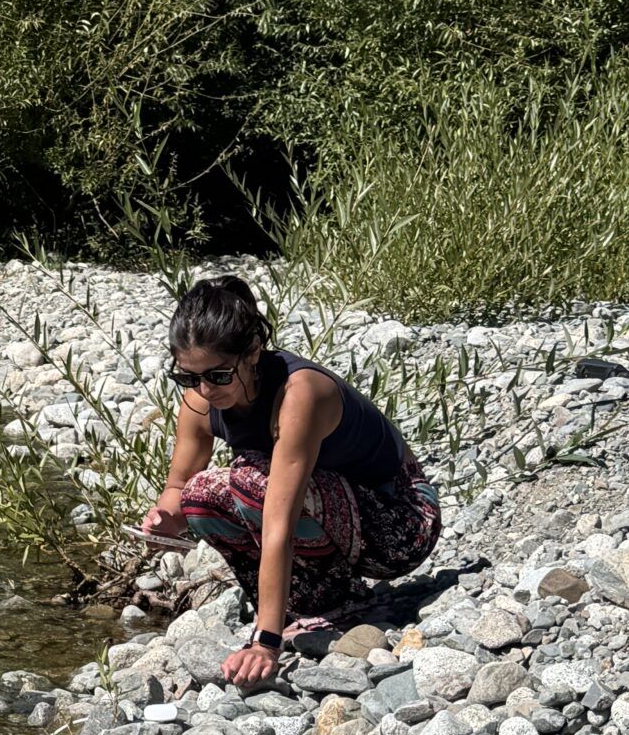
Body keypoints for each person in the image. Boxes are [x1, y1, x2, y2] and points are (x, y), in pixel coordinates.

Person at [141, 273, 440, 690]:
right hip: (338, 513)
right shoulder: (199, 401)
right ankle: (320, 603)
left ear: (252, 352)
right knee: (199, 496)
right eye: (189, 377)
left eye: (219, 375)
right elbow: (179, 487)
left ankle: (328, 605)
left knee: (250, 479)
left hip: (402, 525)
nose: (205, 389)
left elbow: (277, 522)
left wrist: (266, 642)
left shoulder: (300, 392)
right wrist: (166, 518)